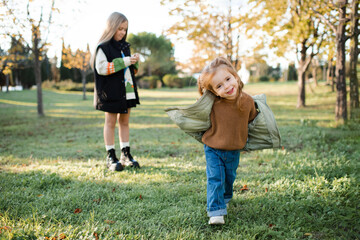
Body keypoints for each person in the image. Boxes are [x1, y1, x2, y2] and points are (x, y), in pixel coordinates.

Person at [197, 57, 258, 225]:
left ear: (236, 77)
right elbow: (199, 116)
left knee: (229, 178)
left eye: (228, 79)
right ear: (214, 92)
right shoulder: (212, 103)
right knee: (215, 178)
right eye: (219, 86)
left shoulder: (247, 101)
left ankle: (225, 198)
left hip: (234, 149)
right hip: (213, 147)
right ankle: (215, 211)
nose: (227, 86)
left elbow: (253, 119)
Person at [90, 12, 140, 171]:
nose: (123, 33)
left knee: (124, 122)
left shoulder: (125, 46)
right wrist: (126, 61)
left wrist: (134, 63)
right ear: (111, 27)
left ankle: (126, 154)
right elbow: (102, 68)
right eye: (119, 29)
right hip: (110, 92)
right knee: (110, 122)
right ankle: (111, 156)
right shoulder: (102, 47)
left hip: (126, 90)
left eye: (125, 29)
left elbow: (128, 70)